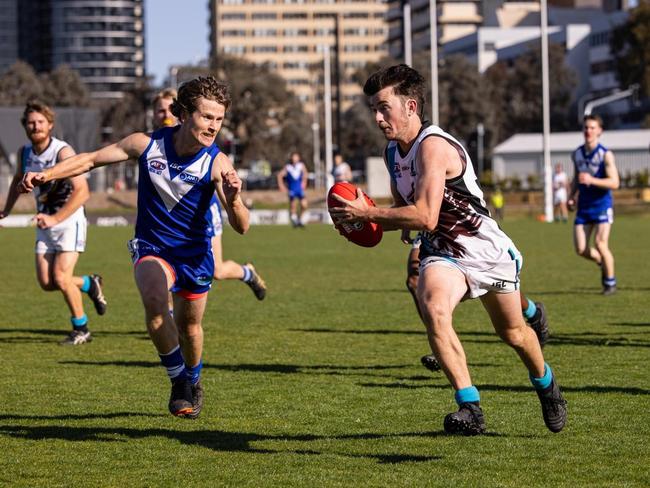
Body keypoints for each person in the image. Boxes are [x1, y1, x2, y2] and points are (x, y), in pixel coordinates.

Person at [329, 64, 566, 435]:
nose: (377, 117)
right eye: (373, 108)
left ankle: (546, 384)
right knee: (434, 307)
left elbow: (424, 215)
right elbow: (406, 204)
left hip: (484, 248)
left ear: (410, 106)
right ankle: (469, 405)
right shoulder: (394, 152)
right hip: (443, 251)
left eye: (383, 107)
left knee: (514, 335)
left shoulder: (434, 146)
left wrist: (368, 213)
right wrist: (380, 224)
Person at [21, 77, 250, 419]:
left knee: (190, 328)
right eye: (206, 117)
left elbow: (242, 226)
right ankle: (177, 382)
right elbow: (90, 159)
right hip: (152, 246)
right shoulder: (146, 144)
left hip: (195, 256)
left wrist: (233, 200)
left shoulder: (217, 164)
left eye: (219, 119)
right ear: (184, 114)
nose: (213, 126)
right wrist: (50, 174)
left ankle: (193, 379)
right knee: (156, 301)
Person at [0, 100, 107, 345]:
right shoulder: (25, 152)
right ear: (25, 126)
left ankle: (82, 329)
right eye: (30, 122)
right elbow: (18, 179)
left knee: (60, 277)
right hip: (45, 221)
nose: (35, 126)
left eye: (40, 122)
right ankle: (90, 283)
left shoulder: (63, 152)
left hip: (69, 221)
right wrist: (5, 210)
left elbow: (83, 191)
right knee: (47, 283)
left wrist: (56, 218)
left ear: (50, 124)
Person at [152, 88, 266, 300]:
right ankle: (166, 319)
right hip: (168, 219)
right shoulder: (153, 144)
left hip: (202, 210)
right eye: (160, 111)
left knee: (218, 270)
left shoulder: (194, 135)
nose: (166, 115)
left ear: (182, 113)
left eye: (170, 109)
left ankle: (247, 273)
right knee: (160, 262)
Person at [403, 230, 549, 373]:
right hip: (430, 232)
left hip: (466, 226)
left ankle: (533, 312)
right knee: (414, 281)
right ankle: (442, 343)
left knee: (489, 283)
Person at [568, 114, 619, 296]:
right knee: (581, 249)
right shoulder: (577, 153)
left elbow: (614, 182)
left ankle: (610, 283)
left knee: (600, 243)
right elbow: (576, 178)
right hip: (584, 207)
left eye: (592, 128)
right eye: (586, 128)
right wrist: (571, 196)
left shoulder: (605, 155)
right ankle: (601, 261)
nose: (588, 131)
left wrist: (592, 180)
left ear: (599, 131)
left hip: (602, 205)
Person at [277, 151, 308, 227]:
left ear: (298, 158)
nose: (295, 158)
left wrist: (304, 182)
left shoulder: (301, 165)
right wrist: (281, 185)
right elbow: (279, 175)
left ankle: (300, 219)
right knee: (293, 205)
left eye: (296, 157)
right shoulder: (288, 167)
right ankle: (294, 221)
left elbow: (305, 173)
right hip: (292, 189)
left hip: (299, 189)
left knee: (304, 205)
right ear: (291, 158)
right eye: (293, 157)